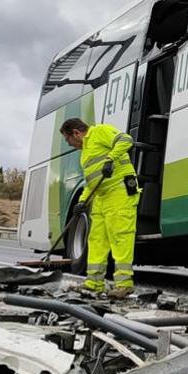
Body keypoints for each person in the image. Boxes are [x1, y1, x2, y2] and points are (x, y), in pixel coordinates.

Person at [60, 117, 139, 299]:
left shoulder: (100, 131)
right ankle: (94, 282)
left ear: (76, 133)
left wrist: (111, 159)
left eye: (68, 139)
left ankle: (124, 284)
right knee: (96, 239)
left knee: (120, 236)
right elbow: (91, 182)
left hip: (119, 191)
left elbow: (126, 140)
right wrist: (82, 201)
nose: (69, 144)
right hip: (101, 197)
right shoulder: (85, 152)